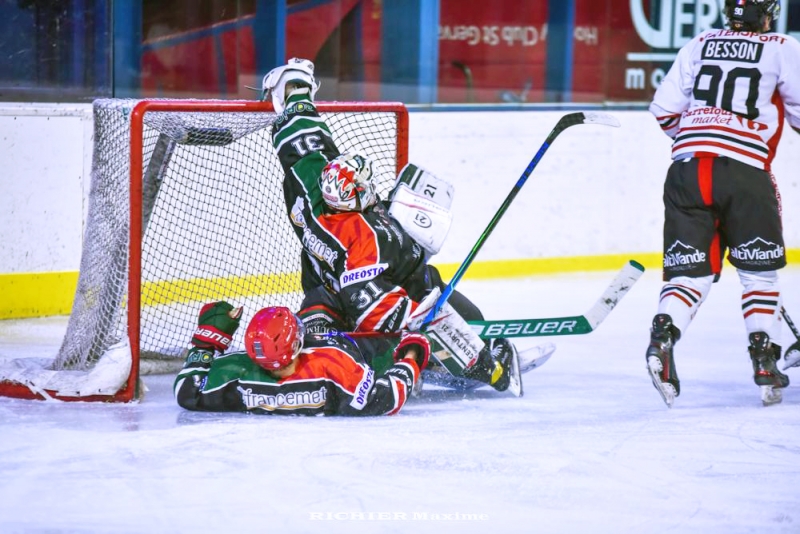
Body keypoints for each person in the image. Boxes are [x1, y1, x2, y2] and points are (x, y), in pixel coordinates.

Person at [259, 58, 534, 395]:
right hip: (359, 310)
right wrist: (456, 348)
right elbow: (377, 311)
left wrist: (296, 97)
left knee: (412, 288)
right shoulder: (363, 241)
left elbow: (304, 145)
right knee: (426, 297)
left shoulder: (315, 190)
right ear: (359, 193)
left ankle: (472, 339)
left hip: (327, 294)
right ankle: (463, 354)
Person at [646, 0, 800, 407]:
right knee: (759, 277)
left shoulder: (699, 42)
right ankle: (765, 360)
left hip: (686, 169)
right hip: (744, 173)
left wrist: (703, 133)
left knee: (688, 276)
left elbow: (662, 110)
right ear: (769, 13)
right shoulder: (782, 46)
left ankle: (663, 336)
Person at [174, 301, 430, 416]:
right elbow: (386, 399)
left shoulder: (238, 372)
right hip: (362, 354)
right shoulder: (332, 365)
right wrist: (412, 355)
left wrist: (207, 340)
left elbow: (187, 391)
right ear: (295, 345)